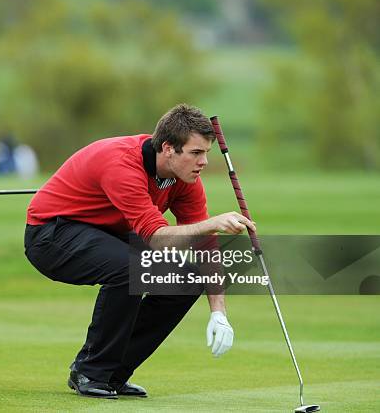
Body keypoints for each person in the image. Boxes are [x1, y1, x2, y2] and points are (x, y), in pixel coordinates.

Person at [24, 104, 256, 398]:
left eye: (206, 153)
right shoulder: (121, 164)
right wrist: (212, 223)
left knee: (185, 280)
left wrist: (219, 312)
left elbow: (204, 243)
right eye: (196, 153)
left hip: (107, 234)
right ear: (169, 148)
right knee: (132, 268)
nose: (204, 162)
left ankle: (112, 375)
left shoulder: (184, 180)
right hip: (51, 234)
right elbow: (157, 238)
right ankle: (91, 372)